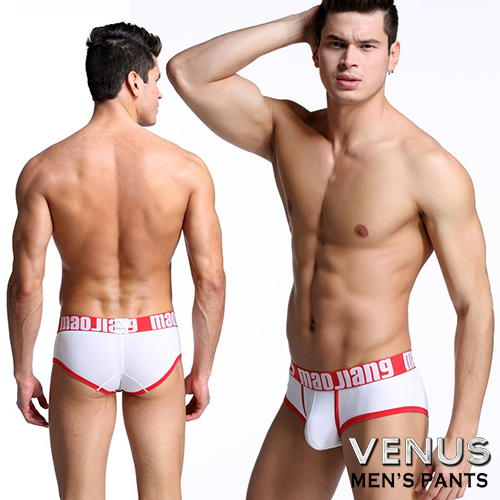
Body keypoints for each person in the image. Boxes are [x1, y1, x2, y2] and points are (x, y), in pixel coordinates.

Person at [167, 1, 493, 499]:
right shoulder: (286, 132)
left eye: (367, 46)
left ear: (393, 56)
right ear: (315, 52)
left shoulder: (428, 168)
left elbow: (475, 306)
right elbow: (187, 73)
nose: (349, 61)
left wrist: (461, 439)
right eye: (336, 44)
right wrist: (301, 24)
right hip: (303, 392)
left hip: (381, 395)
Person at [7, 22, 225, 500]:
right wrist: (202, 371)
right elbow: (210, 281)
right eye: (156, 81)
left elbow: (26, 284)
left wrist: (23, 372)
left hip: (83, 339)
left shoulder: (44, 170)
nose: (160, 94)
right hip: (155, 339)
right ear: (133, 82)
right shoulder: (186, 169)